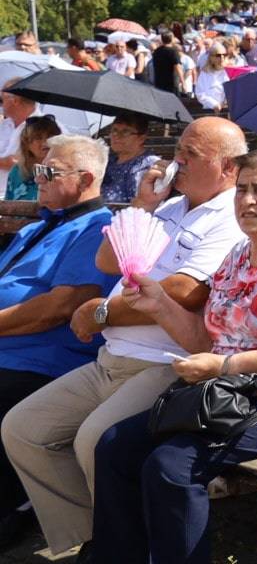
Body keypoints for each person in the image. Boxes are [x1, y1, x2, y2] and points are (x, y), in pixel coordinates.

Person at [92, 147, 257, 564]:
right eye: (241, 190)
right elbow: (205, 339)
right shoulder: (238, 256)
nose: (247, 200)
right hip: (231, 392)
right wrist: (159, 303)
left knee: (171, 467)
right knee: (115, 447)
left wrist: (225, 366)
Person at [1, 117, 247, 560]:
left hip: (167, 363)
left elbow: (185, 291)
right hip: (112, 356)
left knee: (96, 438)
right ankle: (97, 538)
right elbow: (106, 260)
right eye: (180, 150)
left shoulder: (230, 218)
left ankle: (120, 546)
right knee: (24, 429)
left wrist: (99, 312)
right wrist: (141, 205)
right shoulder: (169, 207)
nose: (178, 160)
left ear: (228, 167)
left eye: (192, 153)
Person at [0, 134, 117, 548]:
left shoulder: (97, 228)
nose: (38, 179)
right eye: (37, 170)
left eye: (48, 172)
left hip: (42, 361)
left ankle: (15, 505)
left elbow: (61, 306)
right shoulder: (39, 226)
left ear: (86, 178)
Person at [99, 116, 157, 205]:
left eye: (125, 132)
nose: (116, 136)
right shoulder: (107, 161)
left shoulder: (150, 165)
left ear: (141, 138)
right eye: (114, 130)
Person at [4, 115, 60, 204]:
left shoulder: (65, 171)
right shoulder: (16, 171)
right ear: (26, 144)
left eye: (50, 136)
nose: (45, 142)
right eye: (38, 138)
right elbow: (7, 206)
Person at [0, 83, 38, 176]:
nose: (1, 106)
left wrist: (22, 165)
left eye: (1, 100)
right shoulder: (5, 124)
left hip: (19, 189)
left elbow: (53, 173)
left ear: (15, 101)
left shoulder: (49, 129)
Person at [193, 45, 230, 111]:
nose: (222, 58)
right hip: (209, 110)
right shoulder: (205, 73)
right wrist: (214, 104)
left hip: (227, 110)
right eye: (218, 55)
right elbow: (200, 93)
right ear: (211, 57)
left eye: (224, 55)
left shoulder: (229, 72)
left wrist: (226, 102)